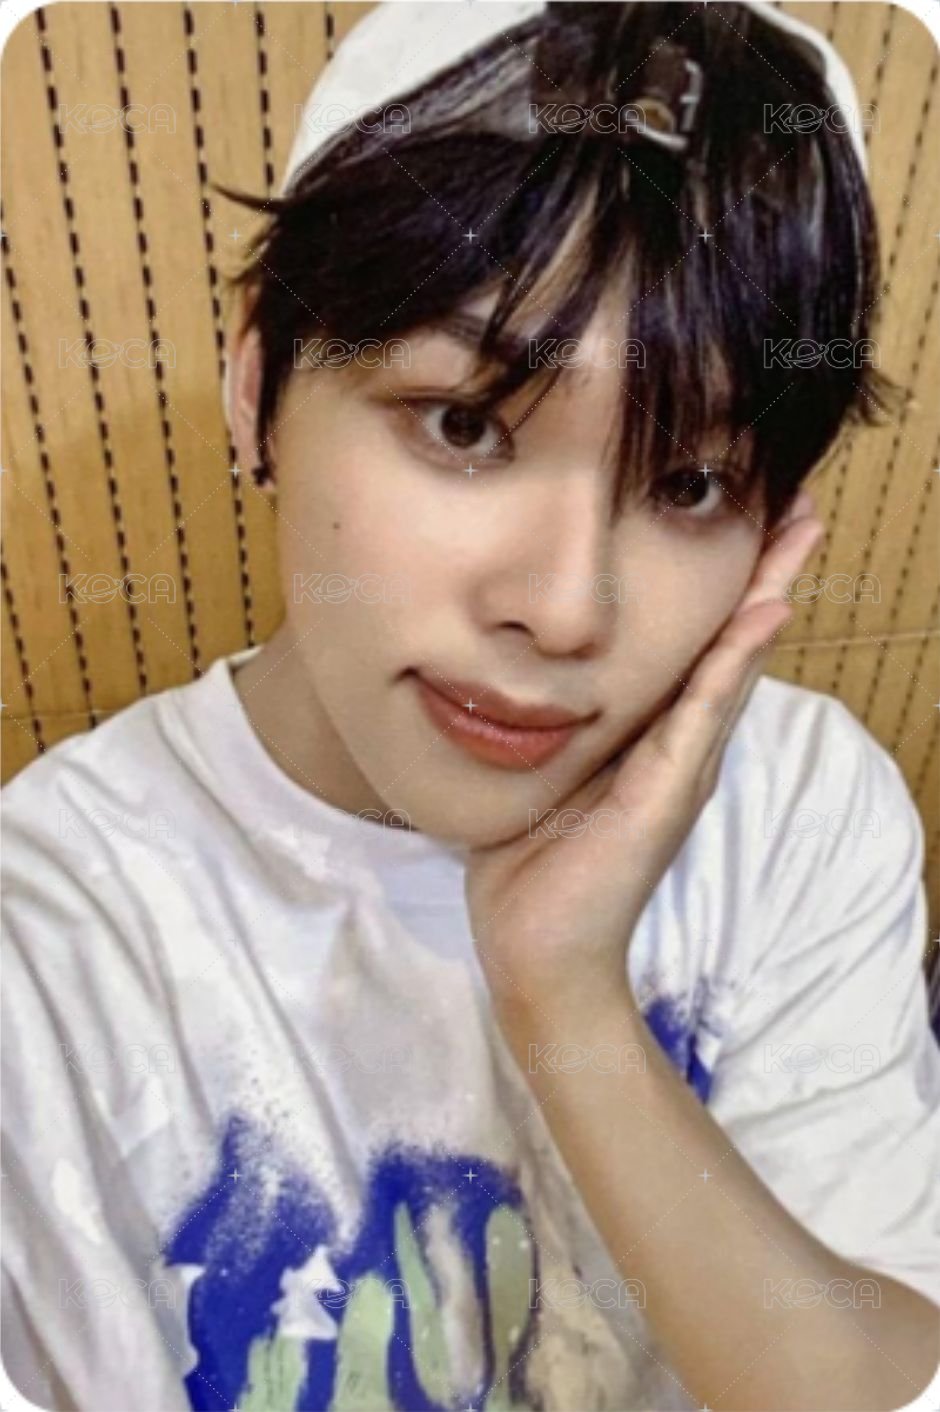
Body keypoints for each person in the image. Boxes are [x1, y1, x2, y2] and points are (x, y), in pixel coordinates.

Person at [2, 3, 938, 1410]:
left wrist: (568, 995)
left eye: (690, 484)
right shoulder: (52, 948)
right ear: (257, 384)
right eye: (465, 423)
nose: (565, 610)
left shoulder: (803, 811)